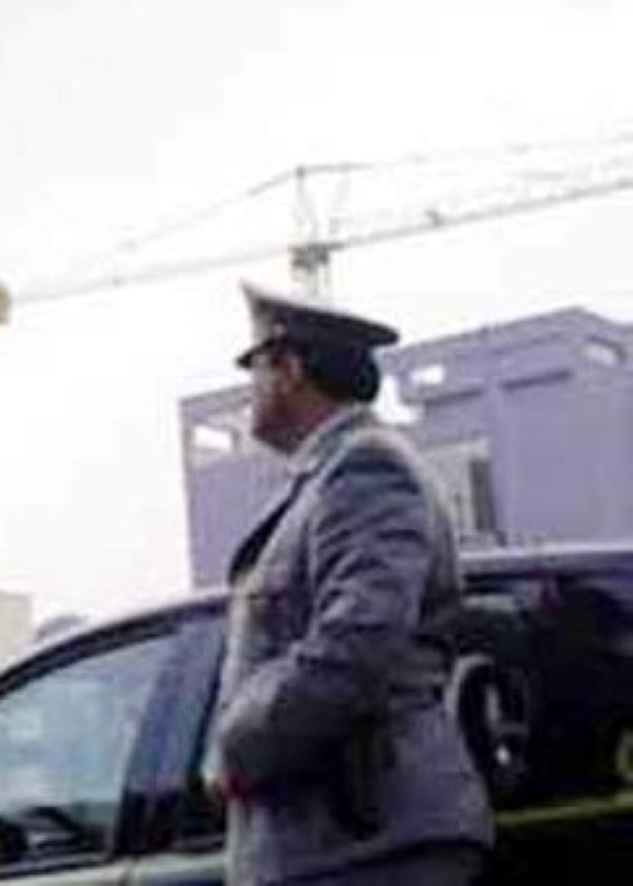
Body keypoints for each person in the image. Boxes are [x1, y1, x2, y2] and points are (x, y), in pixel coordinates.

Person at [210, 283, 493, 885]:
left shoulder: (366, 469)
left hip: (367, 842)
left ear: (289, 368)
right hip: (343, 842)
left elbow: (357, 642)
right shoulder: (326, 478)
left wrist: (237, 746)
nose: (248, 390)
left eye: (253, 367)